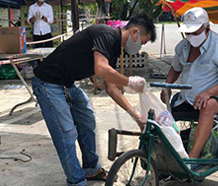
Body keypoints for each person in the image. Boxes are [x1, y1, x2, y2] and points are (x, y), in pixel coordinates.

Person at [31, 12, 156, 186]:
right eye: (142, 42)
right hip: (48, 83)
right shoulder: (106, 34)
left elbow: (111, 89)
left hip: (67, 85)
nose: (139, 47)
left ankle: (91, 169)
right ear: (134, 32)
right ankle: (76, 181)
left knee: (87, 121)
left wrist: (137, 117)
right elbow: (101, 69)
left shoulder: (113, 50)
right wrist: (129, 82)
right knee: (66, 133)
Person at [161, 7, 218, 161]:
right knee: (163, 115)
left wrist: (208, 93)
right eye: (188, 32)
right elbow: (175, 68)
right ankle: (166, 154)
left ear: (206, 28)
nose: (191, 36)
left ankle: (193, 158)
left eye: (195, 32)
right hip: (188, 98)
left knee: (208, 105)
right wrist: (167, 86)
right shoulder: (183, 46)